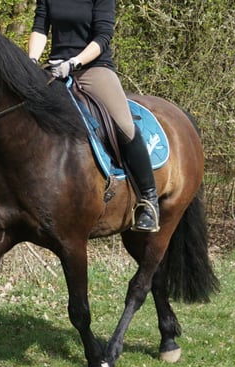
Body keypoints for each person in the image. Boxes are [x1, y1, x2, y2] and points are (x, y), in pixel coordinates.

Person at [28, 0, 160, 232]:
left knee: (124, 126)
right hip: (55, 68)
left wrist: (74, 62)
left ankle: (149, 201)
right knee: (18, 116)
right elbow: (40, 28)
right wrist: (31, 62)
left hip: (93, 69)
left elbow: (103, 36)